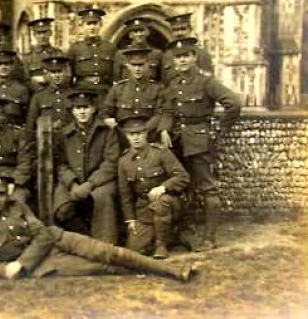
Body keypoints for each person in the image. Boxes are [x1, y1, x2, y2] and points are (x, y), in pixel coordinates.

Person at [0, 173, 195, 281]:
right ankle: (153, 273)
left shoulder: (18, 206)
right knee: (101, 268)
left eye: (1, 194)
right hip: (47, 263)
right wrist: (4, 270)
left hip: (58, 239)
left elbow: (43, 234)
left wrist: (19, 263)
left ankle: (174, 272)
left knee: (109, 252)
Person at [159, 37, 241, 251]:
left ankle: (209, 238)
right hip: (177, 142)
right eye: (178, 57)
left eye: (186, 55)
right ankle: (183, 233)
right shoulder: (174, 84)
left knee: (207, 189)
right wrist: (164, 129)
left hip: (200, 142)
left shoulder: (206, 82)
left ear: (194, 57)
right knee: (181, 186)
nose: (182, 60)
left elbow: (233, 103)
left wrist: (220, 129)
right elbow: (168, 111)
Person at [52, 88, 120, 243]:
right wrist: (72, 183)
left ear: (93, 109)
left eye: (86, 107)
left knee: (103, 198)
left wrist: (90, 184)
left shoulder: (106, 131)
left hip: (100, 182)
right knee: (62, 210)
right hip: (73, 181)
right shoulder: (64, 134)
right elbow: (60, 163)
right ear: (73, 111)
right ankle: (85, 242)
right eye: (78, 108)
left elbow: (111, 162)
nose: (82, 112)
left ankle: (104, 245)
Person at [118, 116, 190, 259]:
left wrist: (163, 187)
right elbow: (125, 193)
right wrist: (131, 219)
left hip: (170, 202)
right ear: (126, 136)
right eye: (132, 134)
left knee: (160, 201)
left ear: (146, 133)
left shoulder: (160, 152)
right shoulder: (124, 161)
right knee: (134, 249)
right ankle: (165, 237)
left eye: (139, 133)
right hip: (144, 208)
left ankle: (160, 245)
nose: (136, 138)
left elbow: (183, 177)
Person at [100, 48, 166, 141]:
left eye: (141, 65)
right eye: (134, 65)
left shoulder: (157, 88)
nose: (137, 69)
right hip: (122, 138)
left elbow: (160, 113)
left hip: (149, 137)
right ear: (127, 65)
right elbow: (105, 112)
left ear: (147, 64)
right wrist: (111, 122)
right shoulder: (118, 88)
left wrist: (143, 131)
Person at [67, 8, 117, 95]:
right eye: (88, 24)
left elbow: (116, 74)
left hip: (105, 93)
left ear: (100, 24)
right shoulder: (75, 48)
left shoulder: (110, 47)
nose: (92, 27)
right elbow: (68, 76)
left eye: (95, 23)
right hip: (82, 93)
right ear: (83, 26)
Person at [162, 13, 214, 84]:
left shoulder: (202, 54)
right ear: (171, 32)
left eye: (183, 29)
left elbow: (209, 81)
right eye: (175, 30)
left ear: (190, 30)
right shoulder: (167, 55)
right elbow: (164, 81)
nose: (179, 33)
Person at [113, 18, 163, 82]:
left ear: (148, 32)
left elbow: (162, 80)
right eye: (135, 31)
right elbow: (116, 80)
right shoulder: (121, 54)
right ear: (130, 35)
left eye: (142, 31)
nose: (139, 34)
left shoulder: (157, 54)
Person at [21, 17, 64, 92]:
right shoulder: (28, 57)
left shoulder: (59, 54)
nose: (42, 36)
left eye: (45, 32)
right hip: (35, 96)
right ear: (34, 35)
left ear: (50, 33)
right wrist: (41, 92)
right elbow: (25, 80)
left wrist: (44, 79)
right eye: (39, 33)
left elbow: (67, 76)